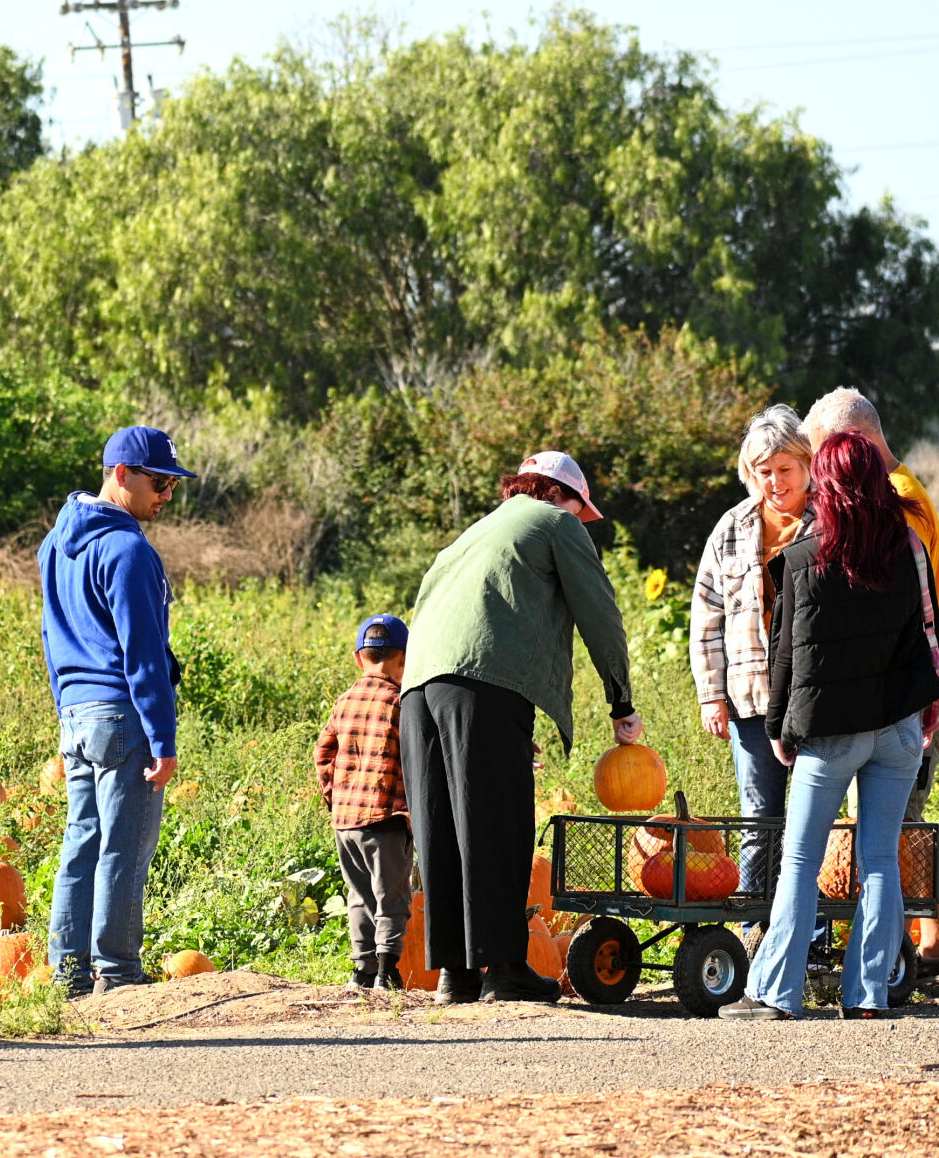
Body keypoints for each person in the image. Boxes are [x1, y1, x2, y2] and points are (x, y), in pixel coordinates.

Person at [401, 452, 641, 1005]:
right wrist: (620, 701)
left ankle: (455, 974)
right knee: (498, 821)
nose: (582, 525)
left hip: (418, 689)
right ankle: (506, 969)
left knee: (444, 829)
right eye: (583, 513)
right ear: (562, 496)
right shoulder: (554, 521)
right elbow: (599, 611)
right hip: (481, 684)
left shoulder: (469, 535)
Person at [720, 432, 939, 1020]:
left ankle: (775, 993)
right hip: (896, 730)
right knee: (879, 860)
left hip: (829, 736)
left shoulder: (798, 558)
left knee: (799, 858)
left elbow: (786, 657)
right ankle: (868, 996)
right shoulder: (907, 546)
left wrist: (777, 728)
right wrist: (933, 700)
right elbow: (926, 631)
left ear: (825, 483)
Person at [802, 387, 939, 983]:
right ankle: (936, 945)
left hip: (910, 689)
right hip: (912, 682)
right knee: (904, 823)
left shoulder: (898, 503)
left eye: (828, 452)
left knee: (890, 828)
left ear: (858, 443)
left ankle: (894, 953)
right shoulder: (902, 494)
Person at [40, 425, 193, 997]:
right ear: (121, 474)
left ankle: (69, 976)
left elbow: (52, 635)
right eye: (159, 482)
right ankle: (119, 974)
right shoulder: (128, 550)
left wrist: (64, 706)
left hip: (77, 713)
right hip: (123, 714)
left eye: (174, 486)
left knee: (80, 842)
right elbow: (144, 653)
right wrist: (163, 737)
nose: (167, 496)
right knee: (124, 848)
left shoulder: (55, 543)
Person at [690, 405, 815, 911]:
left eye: (785, 470)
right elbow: (707, 613)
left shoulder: (827, 521)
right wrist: (711, 695)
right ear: (750, 473)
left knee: (812, 821)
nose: (776, 483)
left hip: (816, 697)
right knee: (758, 816)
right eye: (765, 473)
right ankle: (754, 929)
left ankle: (812, 936)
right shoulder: (733, 527)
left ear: (807, 465)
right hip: (752, 698)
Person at [315, 615, 413, 992]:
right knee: (392, 895)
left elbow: (323, 753)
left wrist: (334, 797)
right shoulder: (400, 702)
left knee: (358, 895)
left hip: (346, 820)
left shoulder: (345, 701)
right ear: (405, 659)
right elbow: (415, 756)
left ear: (359, 658)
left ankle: (362, 968)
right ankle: (388, 969)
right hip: (386, 817)